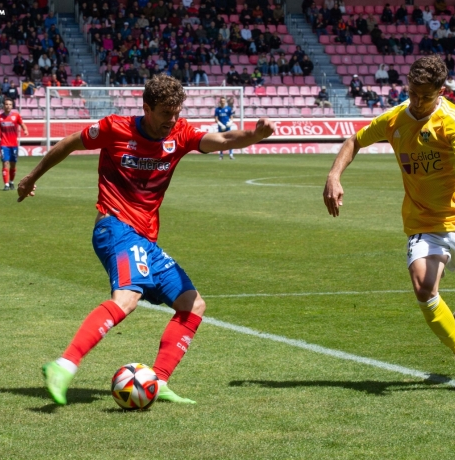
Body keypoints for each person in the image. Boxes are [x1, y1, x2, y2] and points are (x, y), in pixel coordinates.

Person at [17, 75, 275, 406]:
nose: (172, 119)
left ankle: (159, 381)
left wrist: (254, 135)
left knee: (192, 304)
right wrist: (31, 177)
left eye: (176, 111)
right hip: (115, 226)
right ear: (146, 108)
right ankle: (63, 365)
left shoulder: (180, 134)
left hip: (145, 239)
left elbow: (222, 138)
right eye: (165, 112)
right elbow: (69, 143)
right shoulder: (115, 128)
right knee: (126, 298)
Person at [323, 56, 455, 391]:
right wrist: (334, 175)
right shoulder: (395, 118)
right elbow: (354, 141)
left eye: (425, 96)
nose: (416, 101)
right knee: (424, 287)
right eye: (412, 93)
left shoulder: (452, 121)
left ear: (441, 92)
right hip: (422, 222)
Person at [0, 98, 28, 191]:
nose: (8, 106)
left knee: (13, 165)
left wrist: (25, 130)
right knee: (5, 163)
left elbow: (22, 124)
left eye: (10, 104)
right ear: (3, 106)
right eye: (6, 104)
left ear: (12, 106)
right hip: (4, 144)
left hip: (14, 144)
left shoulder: (16, 116)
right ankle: (6, 184)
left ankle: (11, 181)